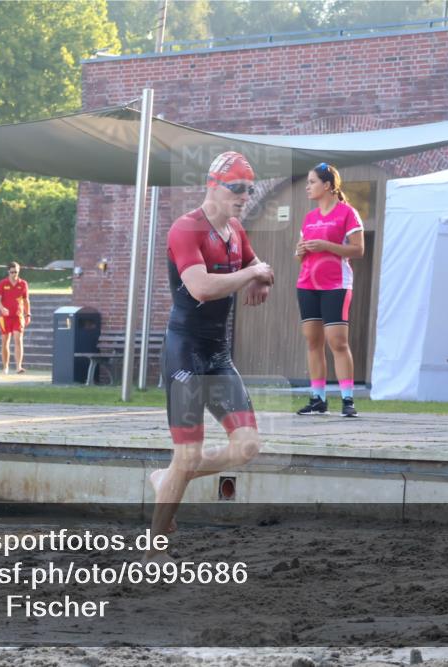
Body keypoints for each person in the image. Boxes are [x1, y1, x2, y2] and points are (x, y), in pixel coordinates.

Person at [148, 151, 274, 559]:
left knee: (247, 446)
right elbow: (201, 288)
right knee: (188, 453)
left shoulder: (236, 231)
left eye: (249, 189)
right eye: (236, 188)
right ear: (213, 186)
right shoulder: (187, 229)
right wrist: (251, 275)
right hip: (185, 355)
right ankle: (154, 549)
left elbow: (262, 266)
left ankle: (166, 478)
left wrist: (263, 278)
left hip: (218, 355)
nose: (244, 196)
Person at [295, 162, 365, 418]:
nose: (308, 187)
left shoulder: (347, 213)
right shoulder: (309, 218)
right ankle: (318, 399)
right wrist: (300, 251)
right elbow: (299, 253)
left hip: (336, 285)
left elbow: (358, 250)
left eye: (312, 182)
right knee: (313, 342)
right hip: (306, 284)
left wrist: (327, 245)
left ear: (327, 185)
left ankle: (347, 399)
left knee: (337, 341)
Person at [0, 261, 31, 374]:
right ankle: (5, 367)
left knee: (18, 339)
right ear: (8, 271)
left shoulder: (23, 283)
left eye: (16, 272)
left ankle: (18, 367)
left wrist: (28, 314)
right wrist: (2, 308)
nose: (14, 274)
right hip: (4, 317)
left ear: (18, 271)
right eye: (12, 272)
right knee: (5, 340)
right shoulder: (2, 283)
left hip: (18, 316)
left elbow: (26, 300)